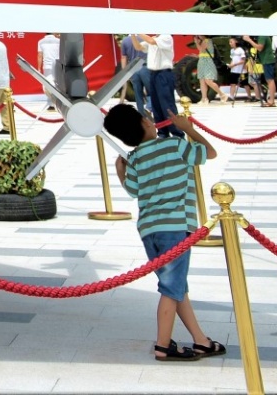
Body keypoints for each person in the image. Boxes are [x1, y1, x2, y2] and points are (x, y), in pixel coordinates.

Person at [104, 101, 226, 363]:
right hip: (175, 227)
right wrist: (188, 129)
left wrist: (119, 172)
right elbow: (210, 152)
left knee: (177, 286)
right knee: (171, 288)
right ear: (146, 122)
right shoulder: (175, 146)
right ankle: (163, 345)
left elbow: (134, 190)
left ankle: (201, 340)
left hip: (150, 230)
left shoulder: (134, 158)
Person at [132, 32, 177, 128]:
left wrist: (138, 31)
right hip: (153, 74)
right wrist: (132, 35)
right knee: (156, 105)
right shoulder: (153, 38)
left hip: (164, 74)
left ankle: (176, 131)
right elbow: (138, 47)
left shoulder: (166, 37)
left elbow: (151, 41)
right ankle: (162, 131)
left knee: (167, 104)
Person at [194, 39, 221, 104]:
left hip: (208, 62)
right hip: (201, 62)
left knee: (208, 81)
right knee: (202, 82)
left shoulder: (207, 40)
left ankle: (222, 94)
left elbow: (202, 50)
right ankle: (204, 98)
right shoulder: (202, 41)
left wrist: (196, 43)